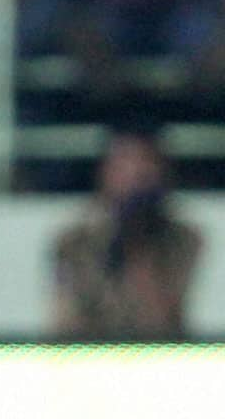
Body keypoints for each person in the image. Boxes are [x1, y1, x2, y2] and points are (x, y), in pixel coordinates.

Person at [49, 129, 203, 341]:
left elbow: (165, 324)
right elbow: (65, 326)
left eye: (145, 167)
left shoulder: (183, 240)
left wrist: (139, 244)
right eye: (125, 165)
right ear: (106, 173)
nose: (136, 177)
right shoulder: (74, 242)